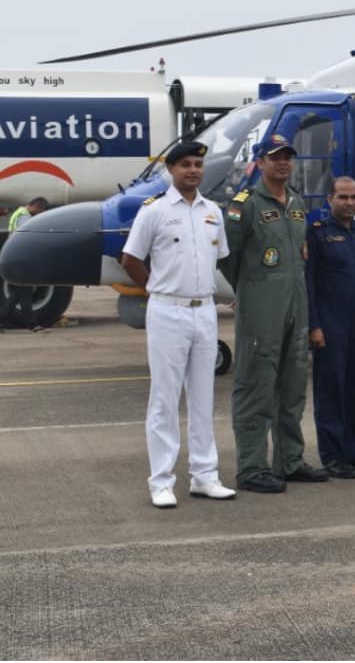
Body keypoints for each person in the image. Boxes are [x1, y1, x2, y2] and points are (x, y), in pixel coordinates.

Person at [120, 143, 236, 509]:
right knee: (165, 399)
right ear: (170, 169)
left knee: (203, 398)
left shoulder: (212, 212)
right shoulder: (155, 211)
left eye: (198, 164)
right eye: (185, 164)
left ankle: (205, 476)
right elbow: (130, 258)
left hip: (204, 310)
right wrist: (155, 286)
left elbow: (218, 259)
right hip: (167, 309)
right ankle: (162, 481)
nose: (193, 170)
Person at [220, 133, 329, 493]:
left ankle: (290, 461)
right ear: (260, 162)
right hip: (261, 307)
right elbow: (228, 258)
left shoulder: (296, 201)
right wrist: (252, 292)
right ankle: (252, 467)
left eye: (287, 157)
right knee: (256, 386)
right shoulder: (244, 204)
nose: (282, 162)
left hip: (295, 308)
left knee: (293, 386)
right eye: (275, 157)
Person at [306, 177, 355, 480]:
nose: (349, 203)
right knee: (331, 393)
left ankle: (353, 451)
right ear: (329, 199)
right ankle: (332, 456)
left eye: (354, 197)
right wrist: (314, 325)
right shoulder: (318, 235)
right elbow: (309, 283)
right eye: (343, 197)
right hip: (331, 327)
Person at [2, 196, 49, 332]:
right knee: (25, 293)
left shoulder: (21, 213)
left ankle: (31, 324)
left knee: (18, 295)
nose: (39, 214)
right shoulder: (24, 217)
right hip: (21, 260)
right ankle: (33, 325)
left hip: (16, 259)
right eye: (40, 211)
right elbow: (28, 237)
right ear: (36, 207)